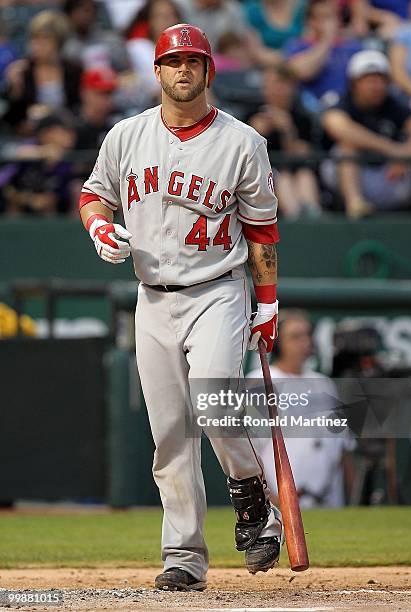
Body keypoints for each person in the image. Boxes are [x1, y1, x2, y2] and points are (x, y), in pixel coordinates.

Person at [79, 24, 282, 591]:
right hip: (153, 298)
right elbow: (94, 192)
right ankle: (184, 559)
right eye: (173, 61)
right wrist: (99, 226)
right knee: (170, 434)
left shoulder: (243, 142)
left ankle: (251, 500)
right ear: (158, 71)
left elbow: (263, 232)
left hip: (217, 289)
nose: (183, 70)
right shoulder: (126, 136)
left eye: (193, 61)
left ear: (209, 70)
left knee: (214, 404)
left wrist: (266, 305)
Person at [247, 310, 355, 508]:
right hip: (281, 505)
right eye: (296, 336)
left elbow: (343, 448)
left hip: (329, 503)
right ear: (277, 343)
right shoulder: (260, 382)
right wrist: (271, 499)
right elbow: (248, 452)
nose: (305, 342)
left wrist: (355, 501)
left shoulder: (324, 384)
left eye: (307, 335)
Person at [322, 49, 411, 217]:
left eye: (381, 80)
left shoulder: (392, 103)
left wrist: (407, 154)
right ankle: (356, 205)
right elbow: (336, 125)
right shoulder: (343, 102)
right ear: (354, 83)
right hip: (351, 176)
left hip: (390, 176)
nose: (376, 86)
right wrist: (392, 150)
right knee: (346, 148)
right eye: (369, 80)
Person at [247, 64, 320, 217]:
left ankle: (313, 218)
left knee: (305, 175)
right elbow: (244, 155)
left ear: (292, 88)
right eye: (271, 84)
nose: (276, 90)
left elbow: (303, 155)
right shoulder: (251, 114)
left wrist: (288, 130)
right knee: (281, 176)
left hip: (296, 172)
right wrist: (255, 133)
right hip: (263, 177)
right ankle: (294, 219)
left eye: (282, 84)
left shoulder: (302, 117)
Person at [2, 10, 81, 131]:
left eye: (43, 39)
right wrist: (15, 89)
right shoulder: (22, 71)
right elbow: (11, 117)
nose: (36, 45)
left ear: (58, 43)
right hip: (28, 133)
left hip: (65, 130)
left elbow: (78, 108)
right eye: (34, 39)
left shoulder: (73, 70)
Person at [284, 0, 362, 110]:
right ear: (311, 21)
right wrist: (327, 40)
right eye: (323, 17)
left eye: (332, 16)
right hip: (311, 109)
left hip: (347, 107)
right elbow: (302, 72)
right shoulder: (297, 46)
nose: (329, 22)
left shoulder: (353, 47)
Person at [125, 0, 183, 101]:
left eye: (171, 15)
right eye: (161, 16)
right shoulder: (138, 47)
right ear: (150, 21)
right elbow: (156, 87)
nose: (167, 21)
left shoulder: (187, 51)